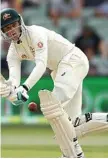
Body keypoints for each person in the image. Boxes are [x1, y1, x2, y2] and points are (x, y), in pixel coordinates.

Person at [0, 8, 108, 158]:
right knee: (72, 124)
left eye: (13, 25)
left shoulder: (35, 33)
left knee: (52, 106)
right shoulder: (13, 52)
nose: (11, 30)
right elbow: (13, 80)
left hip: (72, 59)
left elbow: (41, 65)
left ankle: (71, 155)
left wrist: (25, 87)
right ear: (3, 32)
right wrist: (9, 91)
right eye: (7, 28)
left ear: (20, 22)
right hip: (59, 70)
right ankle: (74, 153)